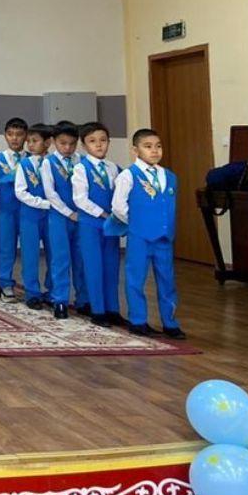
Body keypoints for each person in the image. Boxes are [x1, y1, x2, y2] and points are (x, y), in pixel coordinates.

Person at [112, 128, 184, 339]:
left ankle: (170, 322)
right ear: (135, 150)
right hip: (140, 237)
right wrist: (135, 223)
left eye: (158, 146)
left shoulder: (169, 176)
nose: (154, 151)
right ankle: (138, 320)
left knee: (167, 280)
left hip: (164, 238)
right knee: (136, 279)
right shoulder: (128, 175)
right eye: (148, 146)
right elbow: (118, 206)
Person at [72, 121, 122, 327]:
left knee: (112, 266)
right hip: (90, 224)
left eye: (103, 140)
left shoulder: (114, 168)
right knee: (94, 266)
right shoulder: (81, 168)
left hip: (111, 225)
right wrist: (102, 213)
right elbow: (80, 199)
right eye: (92, 141)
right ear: (84, 145)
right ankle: (97, 310)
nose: (99, 145)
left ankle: (113, 309)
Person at [41, 122, 82, 320]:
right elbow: (50, 193)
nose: (67, 148)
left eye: (72, 144)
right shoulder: (48, 163)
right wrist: (68, 212)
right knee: (60, 259)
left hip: (81, 216)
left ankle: (83, 299)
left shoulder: (81, 161)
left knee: (81, 259)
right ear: (54, 142)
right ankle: (59, 300)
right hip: (59, 216)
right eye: (63, 143)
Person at [0, 117, 27, 302]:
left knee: (28, 249)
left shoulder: (30, 158)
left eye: (19, 134)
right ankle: (5, 284)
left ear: (25, 136)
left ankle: (31, 286)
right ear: (5, 136)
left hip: (27, 209)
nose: (14, 138)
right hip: (5, 209)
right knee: (6, 247)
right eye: (10, 134)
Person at [15, 124, 53, 309]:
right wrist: (43, 203)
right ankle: (32, 293)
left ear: (47, 142)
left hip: (53, 216)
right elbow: (20, 191)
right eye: (28, 141)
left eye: (35, 141)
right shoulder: (24, 164)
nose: (30, 145)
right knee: (30, 255)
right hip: (30, 215)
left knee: (54, 254)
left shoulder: (54, 163)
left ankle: (53, 291)